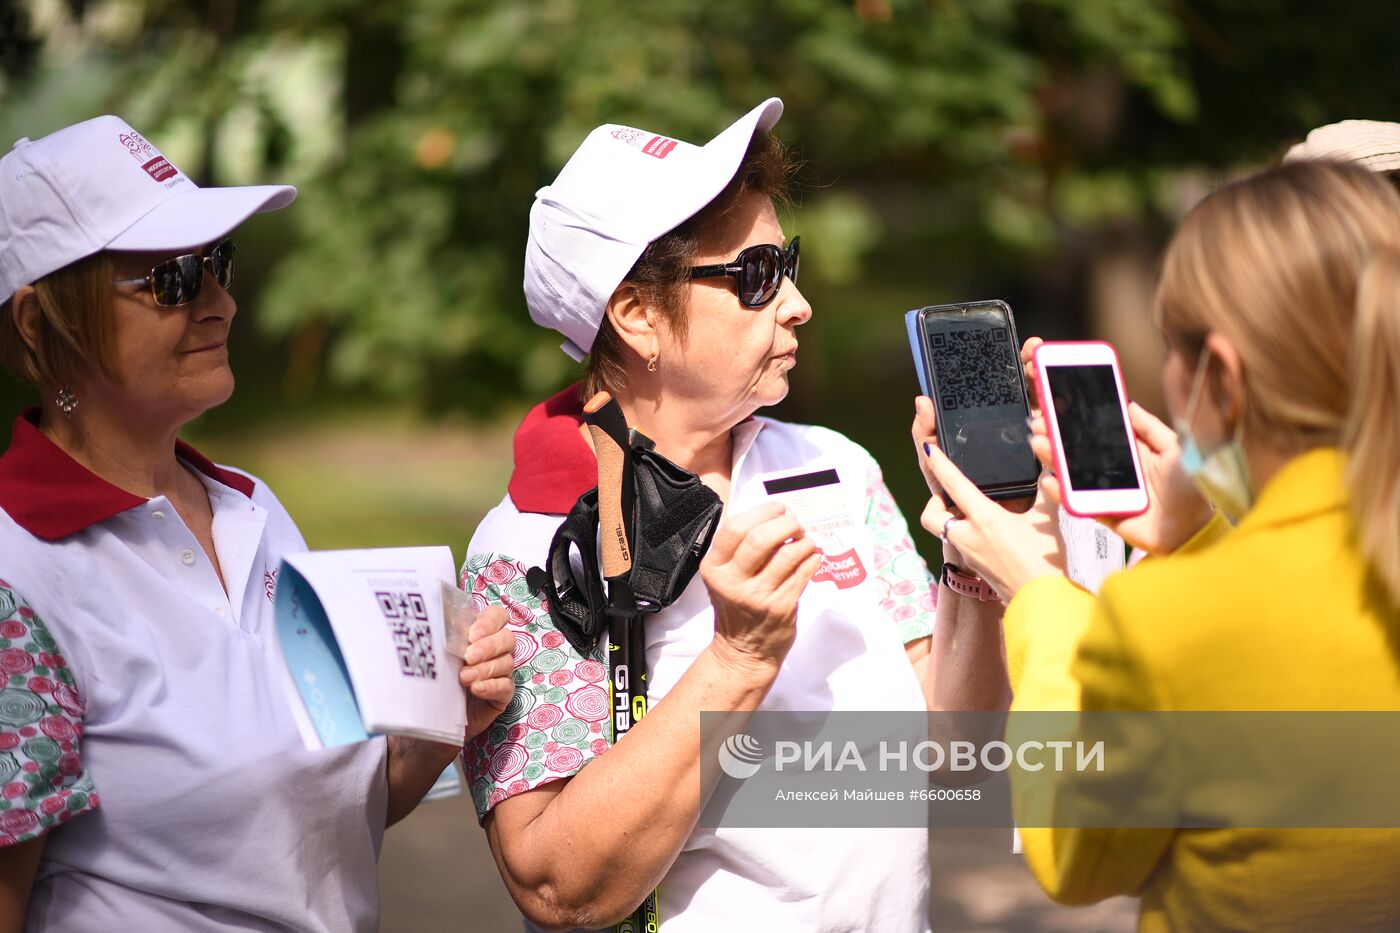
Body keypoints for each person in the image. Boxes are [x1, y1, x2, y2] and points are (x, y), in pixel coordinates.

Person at [460, 99, 1016, 932]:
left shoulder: (836, 467)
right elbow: (555, 887)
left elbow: (953, 756)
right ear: (636, 314)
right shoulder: (529, 546)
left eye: (786, 263)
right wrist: (737, 657)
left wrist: (971, 556)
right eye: (756, 276)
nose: (798, 303)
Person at [0, 116, 518, 932]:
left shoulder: (253, 507)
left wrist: (443, 726)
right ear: (41, 324)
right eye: (174, 279)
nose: (222, 303)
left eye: (219, 264)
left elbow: (318, 822)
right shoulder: (19, 574)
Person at [916, 160, 1400, 929]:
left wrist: (1042, 596)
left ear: (1225, 381)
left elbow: (1074, 854)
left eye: (1171, 346)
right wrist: (1201, 535)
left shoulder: (1164, 621)